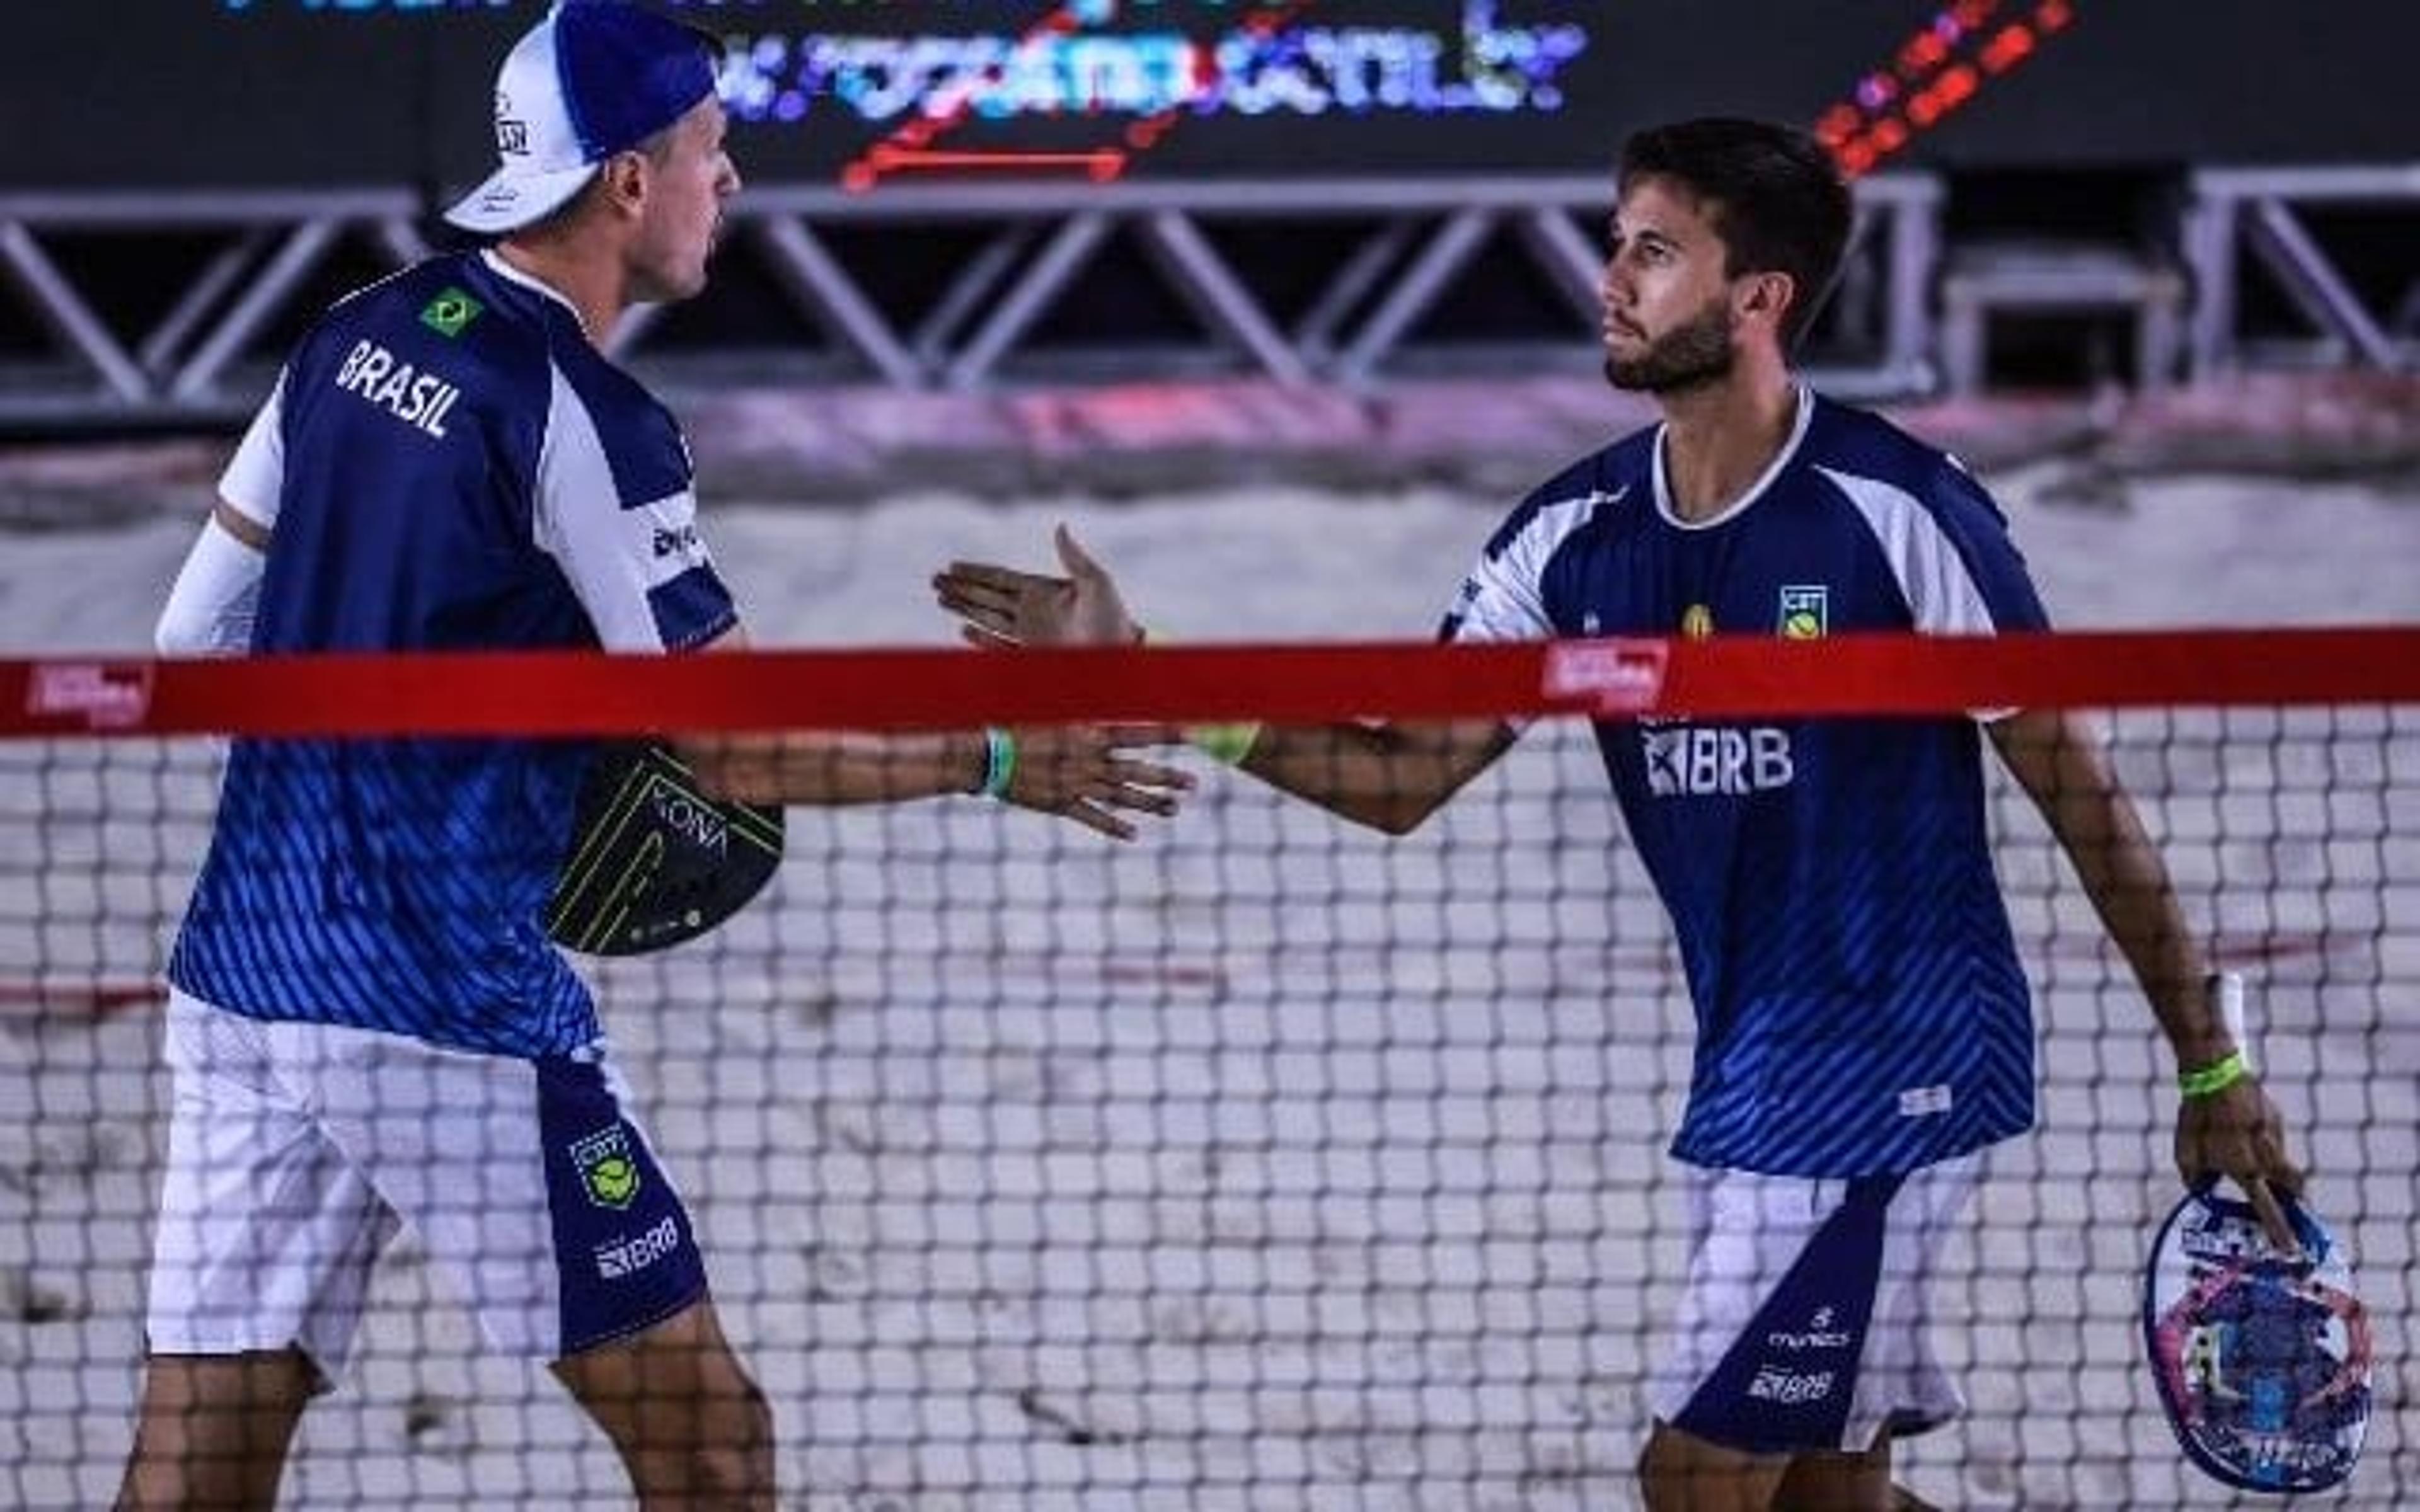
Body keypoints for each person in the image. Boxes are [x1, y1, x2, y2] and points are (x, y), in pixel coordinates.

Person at [933, 117, 2305, 1512]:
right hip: (1750, 1079)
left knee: (1692, 1478)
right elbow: (1405, 777)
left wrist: (2209, 1069)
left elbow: (2082, 797)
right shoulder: (1573, 534)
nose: (1613, 278)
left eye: (1655, 251)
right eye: (1616, 245)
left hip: (1901, 1072)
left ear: (1757, 297)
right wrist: (1148, 674)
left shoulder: (1899, 511)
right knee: (1829, 1499)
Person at [132, 4, 1187, 1508]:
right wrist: (1004, 756)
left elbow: (194, 644)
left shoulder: (353, 331)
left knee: (194, 1475)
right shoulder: (591, 417)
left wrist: (419, 727)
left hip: (239, 971)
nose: (732, 180)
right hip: (444, 1009)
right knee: (709, 1445)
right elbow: (738, 751)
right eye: (711, 147)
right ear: (629, 182)